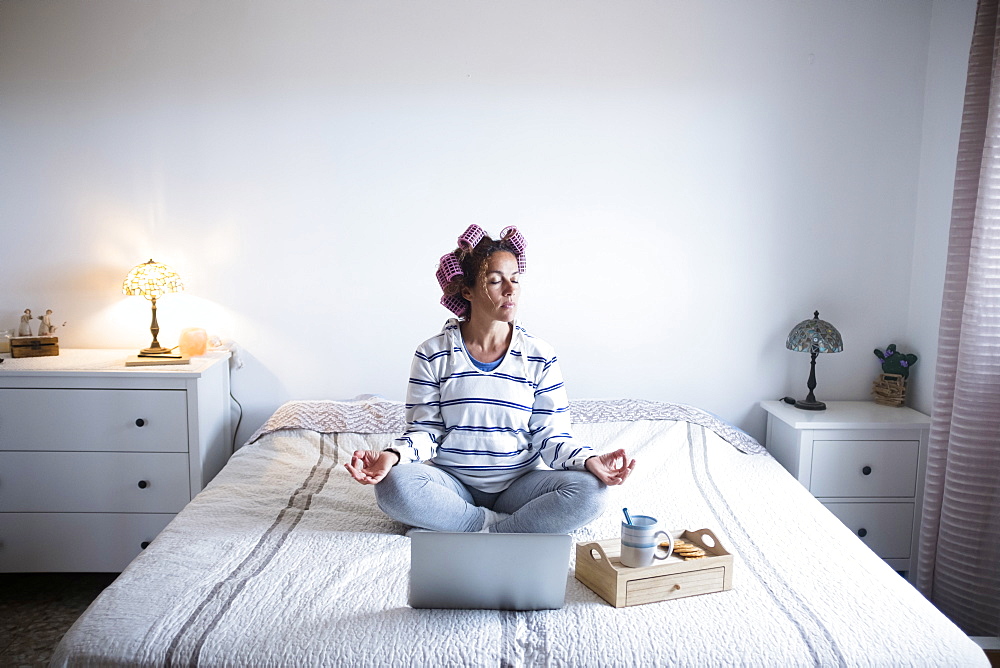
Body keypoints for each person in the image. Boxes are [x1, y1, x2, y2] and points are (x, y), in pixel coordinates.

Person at [345, 225, 636, 533]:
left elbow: (552, 437)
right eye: (496, 280)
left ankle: (482, 530)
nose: (510, 289)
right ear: (467, 291)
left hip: (520, 488)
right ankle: (489, 525)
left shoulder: (540, 355)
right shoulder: (432, 353)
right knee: (393, 484)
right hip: (452, 485)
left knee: (591, 492)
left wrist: (588, 460)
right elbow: (426, 432)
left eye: (515, 279)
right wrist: (393, 455)